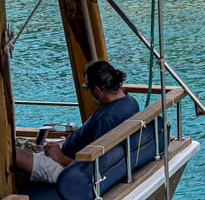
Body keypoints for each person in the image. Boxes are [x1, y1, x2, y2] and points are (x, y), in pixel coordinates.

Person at [15, 61, 140, 190]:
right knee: (19, 166)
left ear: (97, 90)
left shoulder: (106, 120)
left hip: (68, 168)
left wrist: (61, 158)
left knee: (10, 155)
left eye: (86, 86)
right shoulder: (130, 102)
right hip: (69, 155)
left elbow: (93, 167)